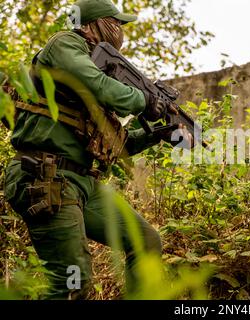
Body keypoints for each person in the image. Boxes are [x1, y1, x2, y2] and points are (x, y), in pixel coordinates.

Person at [3, 0, 191, 299]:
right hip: (44, 175)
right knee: (72, 284)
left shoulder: (93, 80)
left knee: (146, 241)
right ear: (92, 24)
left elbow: (118, 144)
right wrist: (144, 100)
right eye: (115, 23)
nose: (120, 32)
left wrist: (160, 133)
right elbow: (99, 84)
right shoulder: (64, 44)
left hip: (82, 183)